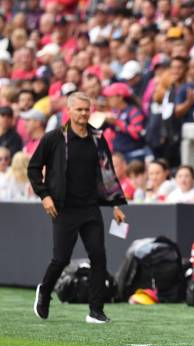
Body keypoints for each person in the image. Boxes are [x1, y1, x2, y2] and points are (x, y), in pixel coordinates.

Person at [28, 92, 127, 324]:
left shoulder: (98, 138)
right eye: (79, 109)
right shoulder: (53, 138)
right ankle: (44, 291)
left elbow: (108, 173)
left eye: (86, 109)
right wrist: (45, 196)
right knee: (61, 259)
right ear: (69, 111)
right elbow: (33, 169)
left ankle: (95, 311)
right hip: (63, 209)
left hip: (90, 208)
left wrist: (116, 205)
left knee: (99, 257)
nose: (83, 114)